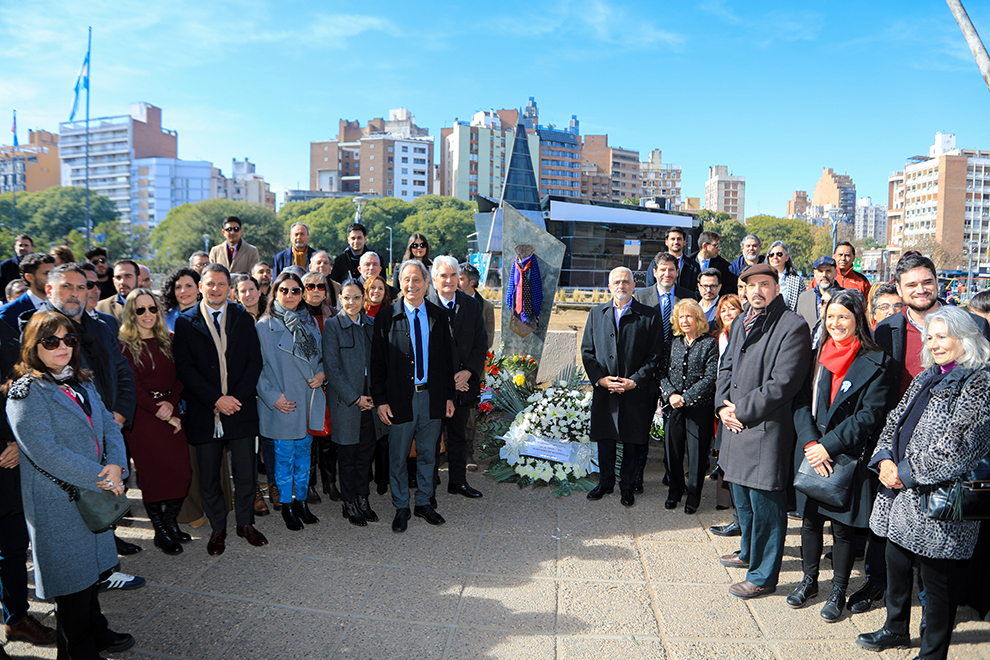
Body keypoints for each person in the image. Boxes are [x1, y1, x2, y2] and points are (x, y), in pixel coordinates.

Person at [858, 306, 990, 658]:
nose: (934, 344)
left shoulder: (980, 382)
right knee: (896, 562)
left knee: (936, 583)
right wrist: (884, 459)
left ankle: (932, 653)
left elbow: (959, 447)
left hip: (942, 498)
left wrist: (902, 473)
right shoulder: (927, 376)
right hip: (900, 495)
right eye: (930, 337)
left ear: (965, 338)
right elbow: (893, 420)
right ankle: (895, 629)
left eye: (943, 337)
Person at [4, 311, 136, 657]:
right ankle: (78, 650)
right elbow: (47, 453)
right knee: (73, 587)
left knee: (90, 575)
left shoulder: (81, 379)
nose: (62, 346)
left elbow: (109, 425)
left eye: (69, 339)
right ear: (33, 346)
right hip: (59, 502)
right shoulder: (25, 393)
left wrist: (117, 464)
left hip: (92, 493)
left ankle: (97, 630)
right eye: (51, 341)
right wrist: (104, 477)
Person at [25, 264, 141, 569]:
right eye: (67, 286)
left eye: (81, 287)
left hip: (110, 426)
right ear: (49, 290)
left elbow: (123, 371)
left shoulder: (100, 325)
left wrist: (118, 416)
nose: (75, 294)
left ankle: (106, 562)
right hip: (69, 443)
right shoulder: (42, 330)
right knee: (77, 520)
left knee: (106, 499)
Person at [789, 289, 893, 622]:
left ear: (858, 319)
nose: (836, 323)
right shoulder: (816, 354)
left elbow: (869, 415)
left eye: (843, 317)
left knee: (843, 529)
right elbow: (800, 402)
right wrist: (811, 444)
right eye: (831, 316)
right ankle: (809, 580)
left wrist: (827, 447)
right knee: (809, 522)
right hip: (812, 452)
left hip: (845, 456)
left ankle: (838, 590)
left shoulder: (877, 360)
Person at [716, 263, 812, 599]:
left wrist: (738, 411)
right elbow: (726, 367)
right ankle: (747, 552)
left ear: (777, 288)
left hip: (765, 429)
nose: (757, 290)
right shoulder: (742, 320)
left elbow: (783, 384)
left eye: (765, 284)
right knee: (742, 499)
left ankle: (763, 576)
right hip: (735, 425)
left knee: (766, 507)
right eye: (751, 285)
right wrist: (721, 407)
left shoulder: (793, 326)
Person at [173, 263, 268, 555]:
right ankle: (218, 528)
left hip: (240, 408)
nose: (216, 289)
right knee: (210, 475)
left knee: (246, 473)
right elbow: (185, 369)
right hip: (206, 411)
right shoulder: (185, 322)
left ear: (230, 288)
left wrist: (235, 398)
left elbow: (254, 362)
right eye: (210, 284)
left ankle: (245, 523)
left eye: (221, 284)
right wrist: (216, 399)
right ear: (201, 287)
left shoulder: (242, 318)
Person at [371, 259, 455, 533]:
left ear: (427, 283)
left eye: (417, 279)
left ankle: (424, 503)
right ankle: (401, 507)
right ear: (400, 283)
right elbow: (377, 364)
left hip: (432, 397)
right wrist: (380, 400)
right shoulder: (387, 317)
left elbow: (447, 361)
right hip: (399, 399)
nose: (411, 285)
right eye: (406, 280)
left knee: (429, 454)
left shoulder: (439, 315)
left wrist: (449, 396)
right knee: (398, 456)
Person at [118, 289, 192, 555]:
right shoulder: (124, 346)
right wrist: (160, 410)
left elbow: (182, 376)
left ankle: (170, 523)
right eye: (140, 309)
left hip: (171, 410)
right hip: (143, 419)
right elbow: (132, 387)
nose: (147, 314)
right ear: (131, 313)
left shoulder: (169, 340)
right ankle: (160, 531)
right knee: (152, 477)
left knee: (182, 473)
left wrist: (171, 404)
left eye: (152, 308)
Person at [583, 267, 662, 508]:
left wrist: (635, 380)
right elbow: (587, 352)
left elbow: (655, 355)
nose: (621, 285)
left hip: (635, 390)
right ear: (609, 287)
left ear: (634, 285)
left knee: (632, 440)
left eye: (626, 281)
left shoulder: (649, 315)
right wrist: (600, 379)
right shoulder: (596, 313)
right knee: (605, 438)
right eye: (616, 282)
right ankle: (605, 482)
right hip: (605, 389)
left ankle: (627, 486)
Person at [255, 272, 325, 531]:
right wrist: (273, 398)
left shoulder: (309, 322)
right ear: (275, 292)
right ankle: (286, 505)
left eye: (296, 290)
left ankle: (301, 502)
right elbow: (255, 369)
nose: (290, 295)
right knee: (284, 458)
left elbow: (321, 357)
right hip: (283, 403)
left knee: (305, 456)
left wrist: (322, 373)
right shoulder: (263, 326)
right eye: (284, 290)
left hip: (307, 398)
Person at [633, 252, 697, 491]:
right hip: (647, 374)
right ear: (655, 272)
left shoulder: (689, 297)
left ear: (677, 272)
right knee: (641, 426)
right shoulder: (640, 296)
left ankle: (672, 475)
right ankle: (636, 476)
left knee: (675, 429)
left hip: (677, 375)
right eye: (662, 269)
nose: (667, 274)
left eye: (671, 269)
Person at [324, 279, 382, 525]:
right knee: (347, 457)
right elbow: (332, 369)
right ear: (340, 299)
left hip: (370, 402)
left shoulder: (371, 324)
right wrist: (355, 398)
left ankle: (362, 498)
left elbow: (379, 363)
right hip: (347, 403)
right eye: (346, 297)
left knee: (365, 455)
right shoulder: (333, 325)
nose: (351, 302)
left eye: (356, 297)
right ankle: (348, 503)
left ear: (363, 298)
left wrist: (376, 396)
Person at [428, 256, 487, 500]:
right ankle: (428, 483)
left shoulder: (471, 305)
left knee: (458, 436)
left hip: (464, 383)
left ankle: (458, 482)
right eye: (443, 275)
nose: (449, 280)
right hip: (434, 385)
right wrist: (445, 380)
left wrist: (469, 372)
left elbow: (480, 343)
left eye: (453, 275)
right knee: (431, 437)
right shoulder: (425, 305)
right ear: (434, 279)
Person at [658, 299, 718, 514]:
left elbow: (710, 377)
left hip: (698, 409)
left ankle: (693, 496)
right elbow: (661, 373)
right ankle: (675, 491)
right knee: (672, 452)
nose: (684, 321)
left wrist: (685, 397)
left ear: (698, 319)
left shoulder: (709, 344)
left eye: (689, 316)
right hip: (674, 407)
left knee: (697, 455)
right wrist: (671, 395)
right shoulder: (672, 343)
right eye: (681, 317)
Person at [300, 270, 339, 504]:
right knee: (309, 440)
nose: (316, 290)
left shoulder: (334, 315)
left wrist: (325, 372)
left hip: (330, 385)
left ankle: (330, 482)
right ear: (303, 291)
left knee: (328, 439)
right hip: (306, 386)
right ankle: (309, 484)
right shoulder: (295, 317)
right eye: (311, 286)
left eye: (320, 286)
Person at [709, 294, 744, 536]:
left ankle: (741, 518)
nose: (728, 313)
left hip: (741, 403)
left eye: (732, 309)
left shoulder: (747, 335)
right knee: (724, 455)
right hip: (722, 402)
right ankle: (732, 511)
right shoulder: (718, 338)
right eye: (723, 310)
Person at [0, 252, 54, 330]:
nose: (53, 278)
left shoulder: (63, 305)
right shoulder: (9, 312)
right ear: (29, 277)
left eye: (54, 273)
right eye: (47, 273)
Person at [797, 256, 840, 328]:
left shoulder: (845, 297)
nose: (824, 275)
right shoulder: (804, 298)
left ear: (835, 272)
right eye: (820, 271)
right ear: (815, 273)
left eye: (828, 271)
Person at [690, 230, 737, 295]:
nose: (719, 248)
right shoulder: (687, 263)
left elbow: (727, 290)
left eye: (719, 245)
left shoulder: (723, 266)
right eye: (715, 245)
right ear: (705, 246)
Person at [766, 240, 803, 312]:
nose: (775, 257)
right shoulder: (762, 278)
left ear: (787, 258)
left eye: (779, 254)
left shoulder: (797, 281)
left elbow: (802, 306)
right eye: (771, 254)